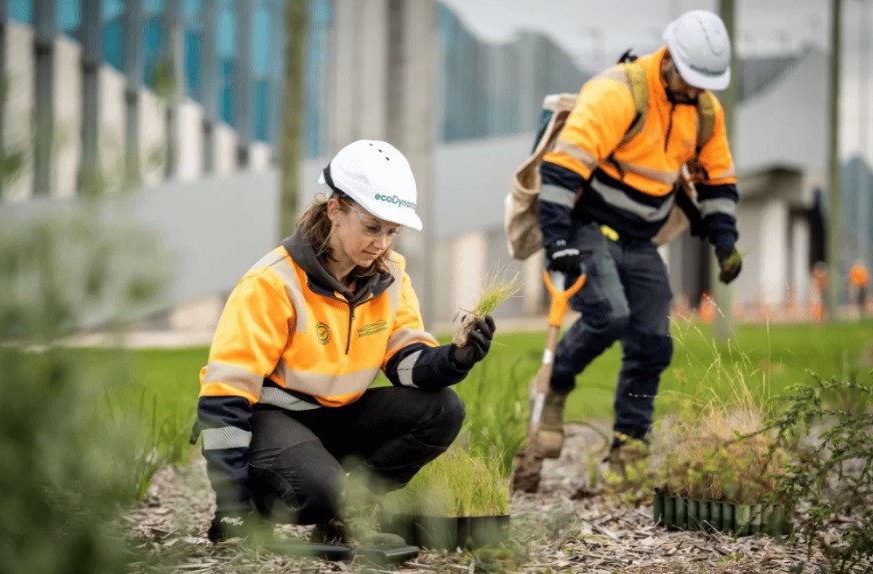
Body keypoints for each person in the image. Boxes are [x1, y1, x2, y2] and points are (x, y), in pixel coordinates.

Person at [191, 139, 496, 544]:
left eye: (392, 231)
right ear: (335, 209)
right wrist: (230, 507)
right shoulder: (272, 283)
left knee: (443, 409)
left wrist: (455, 358)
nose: (382, 243)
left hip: (335, 417)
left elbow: (405, 362)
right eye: (372, 227)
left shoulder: (390, 277)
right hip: (269, 419)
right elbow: (224, 397)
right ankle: (282, 502)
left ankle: (345, 516)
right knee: (322, 491)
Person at [533, 10, 742, 476]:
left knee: (653, 341)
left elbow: (717, 181)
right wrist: (558, 241)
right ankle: (554, 383)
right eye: (689, 78)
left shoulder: (706, 111)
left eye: (704, 83)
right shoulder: (618, 92)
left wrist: (725, 242)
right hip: (590, 226)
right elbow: (562, 169)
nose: (694, 89)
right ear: (669, 58)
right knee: (609, 315)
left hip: (640, 238)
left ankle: (629, 444)